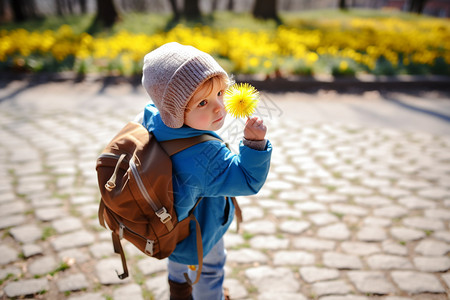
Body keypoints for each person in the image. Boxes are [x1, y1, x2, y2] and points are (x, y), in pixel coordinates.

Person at [139, 42, 272, 300]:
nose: (219, 107)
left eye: (221, 94)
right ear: (175, 111)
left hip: (171, 229)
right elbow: (248, 180)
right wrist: (255, 144)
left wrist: (203, 106)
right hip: (201, 230)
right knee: (209, 271)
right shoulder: (206, 157)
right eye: (202, 103)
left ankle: (178, 291)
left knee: (179, 264)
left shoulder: (154, 114)